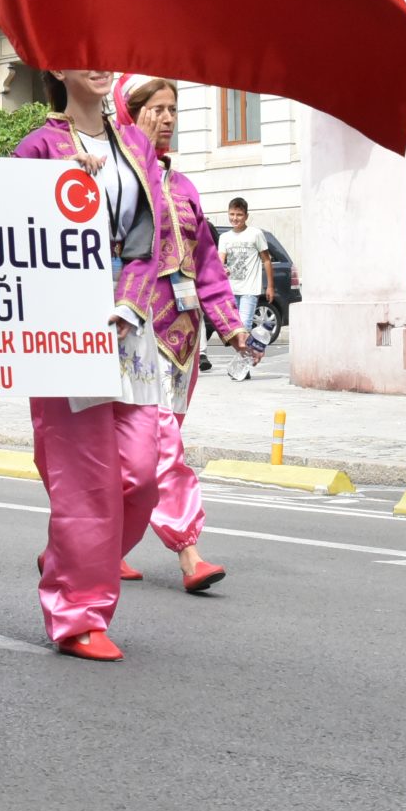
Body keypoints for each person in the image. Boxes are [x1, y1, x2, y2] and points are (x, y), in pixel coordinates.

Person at [13, 67, 228, 662]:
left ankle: (70, 560)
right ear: (57, 67)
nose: (99, 62)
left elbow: (152, 235)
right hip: (66, 325)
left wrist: (131, 302)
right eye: (83, 51)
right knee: (84, 480)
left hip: (131, 324)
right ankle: (78, 614)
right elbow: (13, 233)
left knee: (141, 474)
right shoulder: (37, 149)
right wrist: (59, 191)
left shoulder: (134, 144)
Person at [121, 76, 244, 593]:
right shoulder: (117, 179)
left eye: (174, 108)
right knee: (161, 445)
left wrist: (232, 327)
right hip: (133, 335)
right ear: (130, 114)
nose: (168, 118)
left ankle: (83, 546)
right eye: (157, 108)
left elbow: (207, 263)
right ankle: (189, 551)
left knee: (139, 453)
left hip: (183, 342)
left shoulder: (184, 187)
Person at [216, 199, 271, 352]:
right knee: (235, 331)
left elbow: (266, 260)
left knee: (244, 327)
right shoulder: (224, 237)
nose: (235, 218)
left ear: (246, 216)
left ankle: (246, 361)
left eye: (239, 215)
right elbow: (220, 261)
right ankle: (251, 355)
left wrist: (270, 286)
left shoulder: (255, 234)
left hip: (249, 290)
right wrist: (222, 270)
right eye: (232, 214)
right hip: (231, 290)